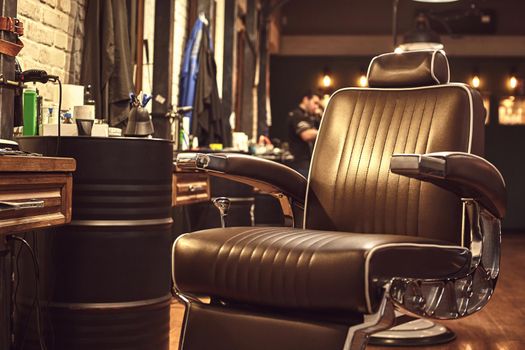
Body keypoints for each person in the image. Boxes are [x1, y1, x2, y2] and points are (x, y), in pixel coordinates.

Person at [287, 92, 322, 177]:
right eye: (315, 103)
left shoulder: (311, 117)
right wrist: (325, 131)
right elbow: (306, 135)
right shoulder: (296, 114)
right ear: (306, 99)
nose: (316, 107)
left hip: (310, 162)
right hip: (300, 164)